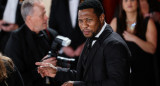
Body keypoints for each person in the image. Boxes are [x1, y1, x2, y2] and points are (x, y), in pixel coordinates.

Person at [36, 0, 131, 86]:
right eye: (80, 21)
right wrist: (57, 72)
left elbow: (117, 83)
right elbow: (83, 76)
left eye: (88, 20)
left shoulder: (114, 45)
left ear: (101, 18)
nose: (84, 25)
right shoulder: (91, 38)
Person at [4, 0, 57, 86]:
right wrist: (42, 69)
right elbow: (15, 79)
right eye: (42, 15)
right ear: (29, 18)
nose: (46, 17)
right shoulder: (16, 40)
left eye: (45, 13)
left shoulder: (50, 34)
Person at [110, 0, 157, 86]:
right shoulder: (116, 22)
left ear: (138, 3)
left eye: (132, 0)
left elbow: (152, 49)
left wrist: (134, 38)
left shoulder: (147, 22)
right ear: (122, 5)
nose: (129, 3)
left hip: (143, 72)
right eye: (126, 1)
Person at [49, 0, 86, 69]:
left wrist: (86, 45)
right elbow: (52, 27)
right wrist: (62, 47)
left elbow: (99, 25)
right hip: (63, 58)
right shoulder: (56, 2)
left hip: (87, 56)